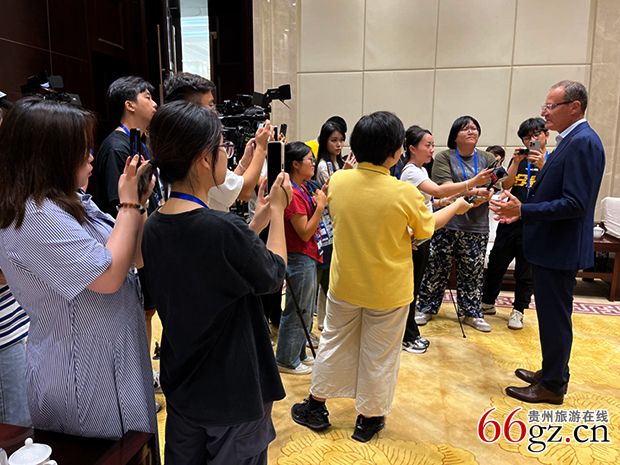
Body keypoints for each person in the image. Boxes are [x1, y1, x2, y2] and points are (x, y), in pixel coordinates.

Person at [142, 100, 292, 464]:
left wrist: (254, 224)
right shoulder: (223, 229)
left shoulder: (153, 226)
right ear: (202, 159)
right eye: (223, 147)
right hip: (233, 393)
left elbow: (215, 267)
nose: (227, 154)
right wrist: (277, 213)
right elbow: (274, 274)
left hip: (185, 388)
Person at [0, 97, 157, 439]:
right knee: (108, 452)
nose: (90, 156)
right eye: (81, 148)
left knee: (135, 447)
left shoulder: (70, 200)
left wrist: (138, 203)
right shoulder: (35, 216)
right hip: (82, 369)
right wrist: (128, 204)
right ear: (50, 154)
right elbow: (108, 276)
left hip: (113, 353)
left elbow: (134, 258)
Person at [291, 111, 441, 443]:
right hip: (389, 291)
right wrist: (456, 208)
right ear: (396, 151)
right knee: (379, 355)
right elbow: (424, 231)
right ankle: (368, 419)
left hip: (344, 284)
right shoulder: (405, 193)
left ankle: (316, 406)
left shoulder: (339, 182)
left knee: (333, 343)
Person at [491, 80, 605, 404]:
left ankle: (553, 386)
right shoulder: (570, 140)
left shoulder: (583, 142)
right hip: (551, 245)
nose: (544, 113)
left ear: (575, 107)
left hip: (559, 247)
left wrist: (524, 210)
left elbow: (575, 203)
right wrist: (522, 209)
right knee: (552, 316)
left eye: (551, 106)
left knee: (556, 318)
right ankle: (552, 371)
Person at [91, 75, 163, 401]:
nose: (154, 103)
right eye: (147, 96)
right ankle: (139, 380)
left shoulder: (138, 142)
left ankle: (144, 374)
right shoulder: (116, 147)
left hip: (144, 242)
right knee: (139, 313)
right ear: (129, 104)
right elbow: (117, 205)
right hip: (130, 248)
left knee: (147, 311)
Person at [399, 125, 490, 353]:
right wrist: (472, 183)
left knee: (413, 287)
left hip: (422, 235)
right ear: (412, 148)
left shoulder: (420, 170)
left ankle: (409, 333)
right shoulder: (411, 171)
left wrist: (447, 201)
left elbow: (431, 200)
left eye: (432, 145)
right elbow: (438, 191)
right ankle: (408, 335)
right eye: (427, 145)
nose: (432, 149)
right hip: (415, 237)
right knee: (410, 289)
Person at [415, 116, 496, 332]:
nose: (471, 131)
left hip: (476, 224)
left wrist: (482, 196)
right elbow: (445, 188)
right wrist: (474, 190)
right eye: (465, 128)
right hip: (447, 222)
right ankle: (426, 307)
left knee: (473, 271)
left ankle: (471, 313)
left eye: (474, 128)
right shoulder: (444, 157)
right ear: (455, 135)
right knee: (436, 267)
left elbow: (494, 186)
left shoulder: (487, 158)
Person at [164, 72, 267, 211]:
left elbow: (227, 188)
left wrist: (244, 163)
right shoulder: (197, 145)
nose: (216, 112)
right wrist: (261, 148)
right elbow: (244, 191)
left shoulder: (177, 142)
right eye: (211, 105)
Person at [481, 118, 549, 329]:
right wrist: (516, 162)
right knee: (496, 263)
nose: (531, 140)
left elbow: (554, 187)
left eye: (536, 135)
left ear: (546, 135)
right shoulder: (520, 160)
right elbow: (506, 185)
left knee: (525, 270)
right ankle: (487, 302)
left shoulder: (552, 160)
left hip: (534, 222)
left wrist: (543, 166)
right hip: (510, 219)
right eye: (527, 137)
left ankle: (518, 310)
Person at [275, 142, 326, 374]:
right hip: (299, 256)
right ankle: (286, 359)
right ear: (295, 164)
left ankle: (299, 354)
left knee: (305, 309)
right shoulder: (294, 194)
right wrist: (320, 208)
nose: (313, 163)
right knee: (297, 310)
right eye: (309, 160)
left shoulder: (303, 188)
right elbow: (304, 231)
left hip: (309, 255)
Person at [312, 118, 350, 332]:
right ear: (325, 141)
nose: (338, 144)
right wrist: (345, 172)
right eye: (334, 140)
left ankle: (325, 318)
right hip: (325, 224)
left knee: (331, 273)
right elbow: (334, 193)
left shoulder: (339, 163)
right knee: (325, 274)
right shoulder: (323, 166)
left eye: (341, 140)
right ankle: (322, 319)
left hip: (336, 224)